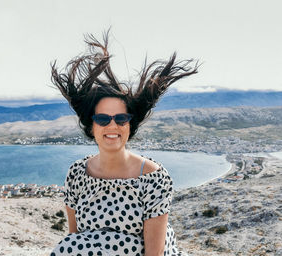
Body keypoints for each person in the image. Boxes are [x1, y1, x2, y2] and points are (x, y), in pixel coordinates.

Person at [50, 31, 198, 256]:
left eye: (121, 118)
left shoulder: (154, 178)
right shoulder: (77, 174)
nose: (112, 126)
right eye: (102, 119)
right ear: (91, 126)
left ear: (130, 124)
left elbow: (154, 254)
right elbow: (75, 240)